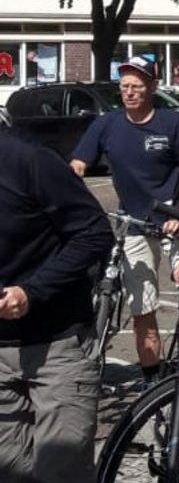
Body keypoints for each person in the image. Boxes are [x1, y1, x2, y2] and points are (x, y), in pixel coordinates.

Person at [70, 55, 179, 386]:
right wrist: (71, 184)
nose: (129, 92)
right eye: (124, 86)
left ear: (153, 87)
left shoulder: (173, 123)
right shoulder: (107, 124)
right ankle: (151, 379)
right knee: (142, 304)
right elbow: (78, 164)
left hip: (173, 220)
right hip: (134, 224)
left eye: (137, 86)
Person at [0, 128, 114, 483]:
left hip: (57, 346)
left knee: (60, 474)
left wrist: (31, 292)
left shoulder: (30, 160)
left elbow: (95, 233)